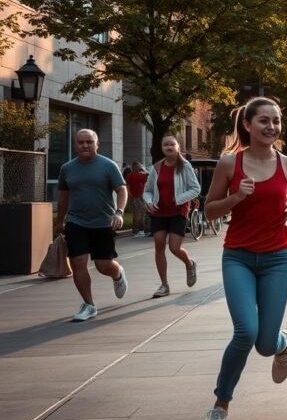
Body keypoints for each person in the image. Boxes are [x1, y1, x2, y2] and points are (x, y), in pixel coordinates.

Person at [200, 97, 287, 420]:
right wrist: (236, 198)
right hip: (239, 257)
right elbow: (209, 212)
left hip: (277, 258)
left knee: (264, 345)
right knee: (245, 332)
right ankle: (220, 408)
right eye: (264, 121)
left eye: (276, 121)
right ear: (247, 125)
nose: (271, 127)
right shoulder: (230, 164)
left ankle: (282, 341)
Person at [55, 129, 130, 322]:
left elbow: (122, 190)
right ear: (75, 145)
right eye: (81, 142)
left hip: (103, 223)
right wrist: (59, 220)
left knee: (103, 265)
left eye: (89, 142)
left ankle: (117, 272)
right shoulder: (67, 168)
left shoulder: (108, 165)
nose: (85, 145)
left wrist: (119, 212)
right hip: (76, 222)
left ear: (97, 144)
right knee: (78, 262)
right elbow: (63, 196)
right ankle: (89, 304)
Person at [143, 136, 201, 298]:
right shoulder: (156, 168)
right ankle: (164, 285)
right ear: (162, 148)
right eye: (165, 144)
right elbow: (147, 190)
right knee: (159, 245)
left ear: (178, 147)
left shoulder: (185, 166)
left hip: (178, 212)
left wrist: (180, 198)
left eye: (172, 144)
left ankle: (190, 264)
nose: (169, 147)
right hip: (159, 212)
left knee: (174, 248)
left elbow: (196, 188)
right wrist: (148, 201)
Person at [125, 162, 149, 236]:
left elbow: (149, 176)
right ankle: (136, 228)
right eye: (137, 166)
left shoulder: (143, 175)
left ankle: (140, 228)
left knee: (142, 212)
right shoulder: (130, 175)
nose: (138, 168)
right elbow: (127, 185)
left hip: (142, 195)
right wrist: (129, 193)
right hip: (136, 195)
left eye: (139, 166)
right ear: (133, 167)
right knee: (137, 212)